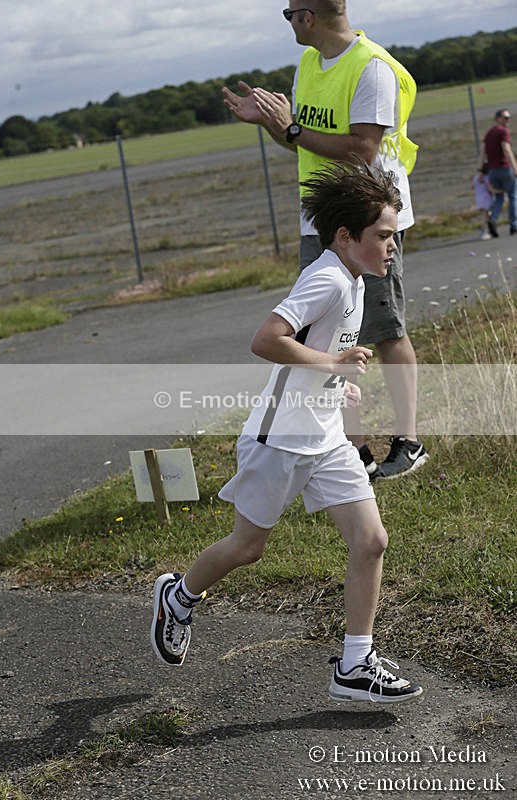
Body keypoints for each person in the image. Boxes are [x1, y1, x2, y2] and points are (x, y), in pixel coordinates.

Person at [151, 160, 423, 705]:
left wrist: (336, 384)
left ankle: (355, 663)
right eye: (384, 236)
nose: (393, 246)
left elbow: (313, 352)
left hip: (324, 439)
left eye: (394, 235)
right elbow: (266, 339)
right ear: (346, 236)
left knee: (371, 541)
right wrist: (331, 365)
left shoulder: (355, 278)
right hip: (279, 441)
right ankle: (178, 596)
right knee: (248, 547)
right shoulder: (325, 277)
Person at [222, 0, 428, 481]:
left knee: (385, 328)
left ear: (308, 16)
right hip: (320, 219)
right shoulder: (310, 63)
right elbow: (301, 139)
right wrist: (274, 125)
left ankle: (408, 441)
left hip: (366, 221)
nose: (290, 22)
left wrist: (292, 127)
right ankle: (352, 447)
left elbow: (362, 148)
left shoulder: (370, 67)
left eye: (290, 13)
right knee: (328, 333)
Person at [478, 108, 517, 237]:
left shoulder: (489, 133)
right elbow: (506, 149)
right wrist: (515, 167)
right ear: (498, 118)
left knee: (499, 197)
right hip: (504, 168)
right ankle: (514, 224)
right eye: (505, 117)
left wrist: (480, 171)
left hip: (493, 171)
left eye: (509, 118)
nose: (508, 120)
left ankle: (493, 219)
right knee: (512, 196)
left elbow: (483, 153)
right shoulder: (503, 132)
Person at [472, 164, 495, 240]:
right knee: (486, 216)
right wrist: (500, 191)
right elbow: (490, 189)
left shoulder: (476, 178)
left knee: (487, 214)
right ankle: (484, 231)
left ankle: (485, 230)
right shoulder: (486, 178)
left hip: (479, 198)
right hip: (486, 198)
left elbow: (472, 187)